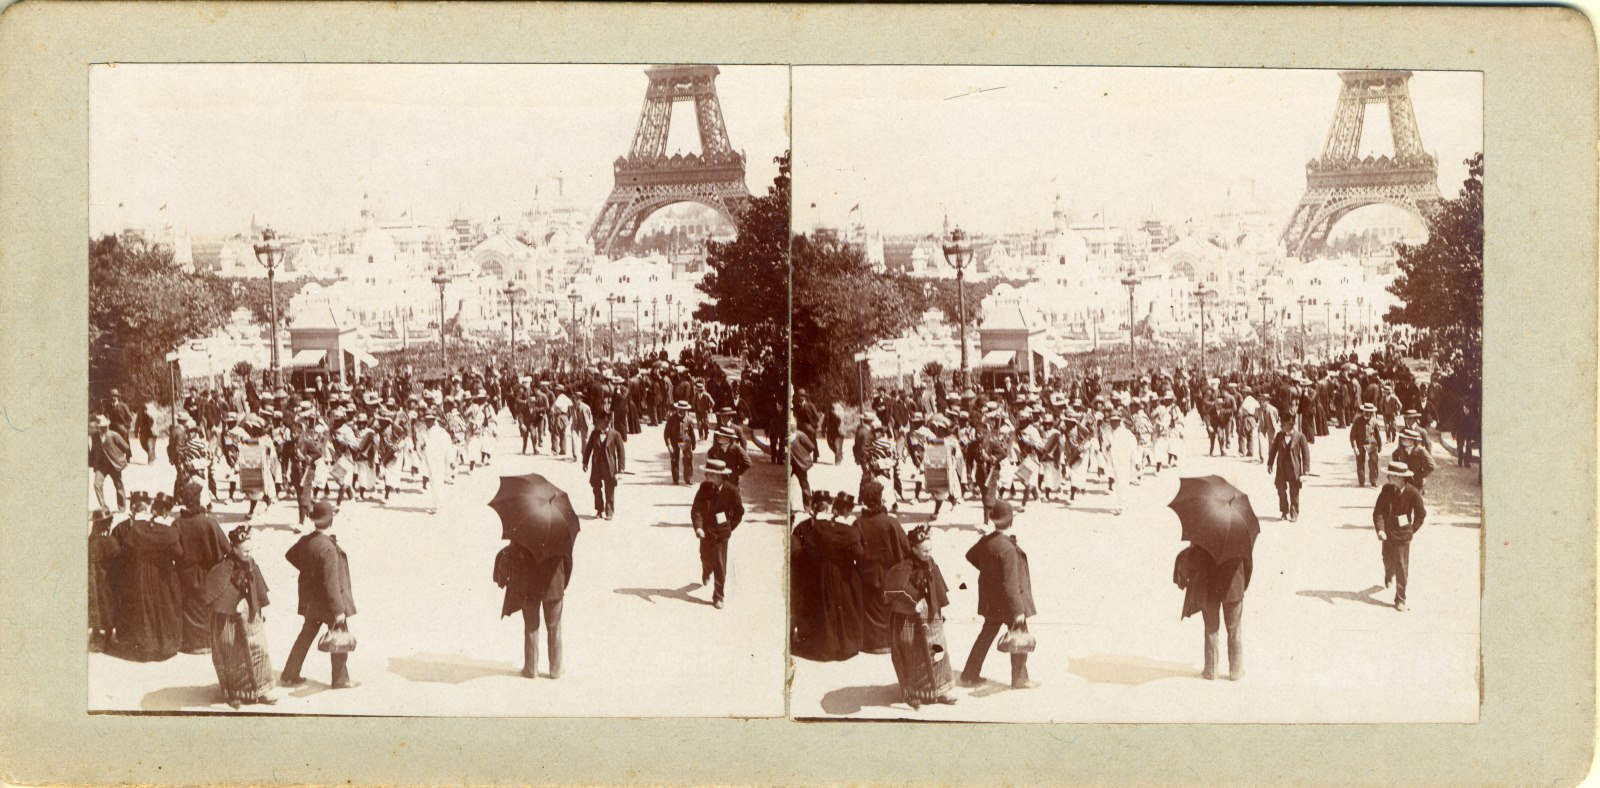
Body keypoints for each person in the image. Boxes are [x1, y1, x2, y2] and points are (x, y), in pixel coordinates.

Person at [958, 500, 1039, 690]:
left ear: (994, 520)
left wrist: (989, 571)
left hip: (992, 601)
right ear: (1011, 520)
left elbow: (970, 555)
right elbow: (1011, 585)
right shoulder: (1008, 548)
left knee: (986, 636)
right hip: (1009, 603)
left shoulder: (987, 540)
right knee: (1019, 638)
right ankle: (1020, 679)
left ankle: (969, 674)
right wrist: (1018, 611)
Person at [279, 500, 358, 689]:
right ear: (331, 520)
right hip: (329, 604)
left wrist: (309, 571)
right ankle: (340, 679)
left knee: (305, 636)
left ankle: (290, 674)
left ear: (314, 521)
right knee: (340, 637)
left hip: (312, 602)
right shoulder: (328, 548)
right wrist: (339, 611)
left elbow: (290, 555)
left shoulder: (306, 540)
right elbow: (331, 584)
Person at [888, 525, 959, 709]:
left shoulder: (930, 562)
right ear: (913, 549)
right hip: (909, 617)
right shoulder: (903, 567)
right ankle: (916, 692)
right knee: (913, 651)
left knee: (938, 648)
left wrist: (941, 609)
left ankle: (942, 689)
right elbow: (892, 590)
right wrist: (912, 603)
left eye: (930, 549)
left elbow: (937, 586)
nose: (928, 553)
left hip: (931, 613)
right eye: (924, 550)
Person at [206, 525, 277, 708]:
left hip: (250, 615)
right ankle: (234, 694)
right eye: (245, 550)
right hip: (228, 618)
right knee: (232, 654)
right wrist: (232, 604)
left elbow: (257, 585)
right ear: (234, 548)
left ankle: (261, 691)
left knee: (259, 650)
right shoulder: (222, 568)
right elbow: (216, 591)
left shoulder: (251, 563)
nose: (248, 554)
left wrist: (260, 607)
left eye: (250, 550)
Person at [790, 490, 865, 662]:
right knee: (840, 607)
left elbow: (796, 551)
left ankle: (820, 644)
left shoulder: (805, 528)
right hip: (840, 574)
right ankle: (844, 645)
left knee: (822, 610)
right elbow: (858, 551)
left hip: (815, 574)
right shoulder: (841, 528)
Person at [114, 491, 183, 662]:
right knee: (163, 607)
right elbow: (179, 553)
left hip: (142, 574)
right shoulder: (170, 532)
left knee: (145, 608)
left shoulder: (137, 529)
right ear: (166, 512)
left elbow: (127, 550)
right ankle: (164, 646)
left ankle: (146, 645)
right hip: (163, 575)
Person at [1174, 542, 1251, 680]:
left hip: (1209, 587)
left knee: (1211, 629)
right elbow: (1248, 563)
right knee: (1234, 630)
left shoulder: (1203, 533)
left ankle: (1211, 670)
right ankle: (1236, 670)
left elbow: (1193, 560)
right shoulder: (1238, 531)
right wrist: (1241, 585)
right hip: (1233, 586)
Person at [494, 541, 571, 679]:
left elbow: (513, 555)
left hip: (528, 584)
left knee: (531, 626)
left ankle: (531, 669)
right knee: (554, 628)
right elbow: (568, 560)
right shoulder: (558, 528)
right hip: (553, 583)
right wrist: (561, 583)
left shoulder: (522, 528)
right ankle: (556, 669)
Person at [172, 483, 230, 655]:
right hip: (210, 573)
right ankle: (208, 642)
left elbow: (174, 549)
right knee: (207, 606)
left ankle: (192, 644)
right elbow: (227, 547)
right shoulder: (209, 522)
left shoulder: (177, 524)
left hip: (186, 574)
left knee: (190, 607)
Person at [853, 479, 909, 654]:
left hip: (867, 575)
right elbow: (906, 547)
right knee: (888, 608)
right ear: (880, 500)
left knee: (871, 608)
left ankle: (872, 644)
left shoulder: (858, 523)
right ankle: (889, 642)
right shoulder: (891, 522)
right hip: (890, 574)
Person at [1373, 460, 1427, 611]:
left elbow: (1421, 514)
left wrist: (1412, 529)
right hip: (1388, 534)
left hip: (1403, 536)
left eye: (1392, 476)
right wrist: (1381, 530)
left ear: (1401, 478)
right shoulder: (1386, 491)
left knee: (1402, 567)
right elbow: (1378, 512)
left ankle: (1400, 598)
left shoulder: (1413, 493)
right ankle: (1389, 573)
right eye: (1389, 476)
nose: (1389, 478)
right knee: (1387, 559)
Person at [691, 459, 745, 609]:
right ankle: (706, 570)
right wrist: (698, 527)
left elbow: (739, 512)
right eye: (707, 474)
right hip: (706, 532)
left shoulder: (732, 490)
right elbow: (696, 509)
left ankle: (718, 596)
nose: (707, 476)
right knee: (705, 556)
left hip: (721, 534)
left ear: (720, 476)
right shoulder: (704, 488)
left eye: (711, 474)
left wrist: (729, 527)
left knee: (720, 565)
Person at [88, 509, 121, 651]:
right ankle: (108, 637)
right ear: (107, 524)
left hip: (93, 579)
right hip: (106, 580)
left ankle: (96, 634)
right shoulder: (108, 541)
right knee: (108, 605)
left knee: (96, 605)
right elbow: (117, 556)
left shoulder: (91, 541)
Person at [1266, 416, 1310, 522]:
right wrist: (1270, 463)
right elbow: (1273, 450)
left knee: (1294, 491)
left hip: (1294, 469)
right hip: (1281, 468)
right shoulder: (1279, 435)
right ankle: (1284, 511)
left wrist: (1305, 470)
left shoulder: (1300, 436)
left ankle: (1294, 513)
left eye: (1283, 424)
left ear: (1290, 425)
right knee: (1281, 490)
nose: (1281, 426)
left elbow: (1306, 454)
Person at [581, 413, 625, 520]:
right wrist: (585, 462)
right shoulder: (594, 434)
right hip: (597, 466)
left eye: (600, 422)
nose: (597, 424)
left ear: (607, 423)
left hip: (609, 467)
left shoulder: (615, 435)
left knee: (609, 489)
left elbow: (621, 452)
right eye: (597, 422)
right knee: (596, 488)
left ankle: (609, 511)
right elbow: (588, 448)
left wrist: (620, 469)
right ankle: (599, 510)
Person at [90, 415, 130, 513]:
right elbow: (94, 450)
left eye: (105, 426)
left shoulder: (113, 435)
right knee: (97, 484)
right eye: (100, 427)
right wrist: (92, 462)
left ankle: (122, 508)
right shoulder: (94, 436)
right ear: (97, 427)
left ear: (107, 426)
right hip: (101, 466)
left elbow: (126, 447)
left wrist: (118, 456)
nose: (103, 428)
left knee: (118, 486)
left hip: (114, 465)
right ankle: (103, 507)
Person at [1350, 402, 1384, 487]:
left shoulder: (1374, 421)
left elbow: (1377, 434)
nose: (1369, 413)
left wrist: (1380, 445)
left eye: (1371, 412)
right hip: (1360, 444)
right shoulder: (1357, 421)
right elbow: (1352, 436)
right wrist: (1355, 447)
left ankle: (1374, 480)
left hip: (1372, 444)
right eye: (1367, 411)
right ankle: (1361, 482)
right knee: (1360, 462)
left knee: (1373, 462)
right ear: (1363, 411)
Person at [1393, 428, 1435, 495]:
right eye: (1402, 438)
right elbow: (1394, 455)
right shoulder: (1401, 448)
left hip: (1416, 481)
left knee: (1415, 500)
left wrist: (1421, 475)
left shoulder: (1420, 450)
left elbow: (1431, 465)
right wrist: (1398, 467)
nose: (1402, 440)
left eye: (1405, 438)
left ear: (1412, 440)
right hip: (1403, 479)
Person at [663, 401, 695, 485]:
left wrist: (694, 443)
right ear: (677, 409)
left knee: (688, 459)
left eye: (684, 410)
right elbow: (666, 433)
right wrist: (669, 445)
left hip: (686, 441)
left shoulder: (689, 419)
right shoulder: (671, 419)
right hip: (674, 442)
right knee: (674, 459)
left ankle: (687, 479)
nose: (682, 411)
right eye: (680, 409)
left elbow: (692, 432)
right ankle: (675, 479)